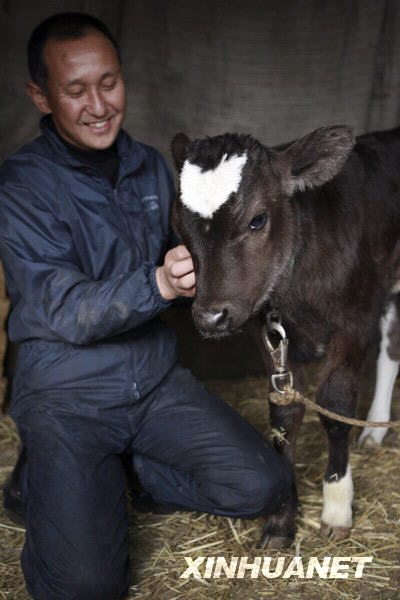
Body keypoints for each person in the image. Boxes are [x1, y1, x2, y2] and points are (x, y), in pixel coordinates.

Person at [0, 12, 292, 600]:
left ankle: (120, 476)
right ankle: (48, 485)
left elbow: (184, 262)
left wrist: (239, 277)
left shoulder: (152, 166)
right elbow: (64, 309)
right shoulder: (21, 187)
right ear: (41, 96)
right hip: (67, 395)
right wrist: (158, 283)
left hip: (152, 381)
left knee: (263, 486)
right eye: (75, 91)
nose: (99, 105)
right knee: (87, 585)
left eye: (109, 83)